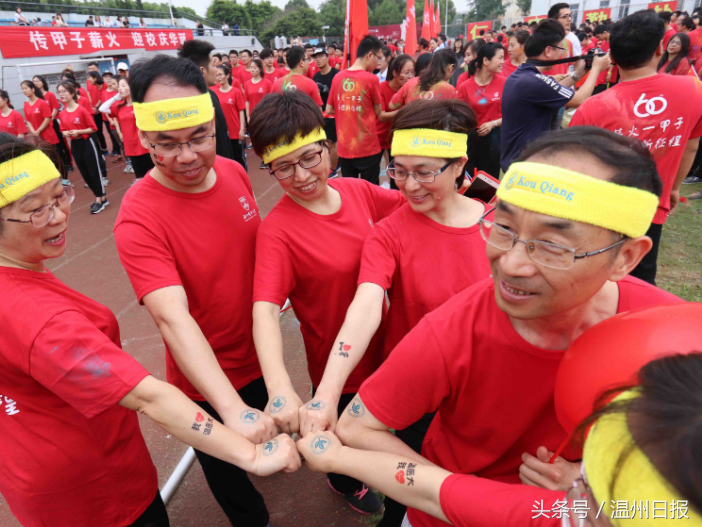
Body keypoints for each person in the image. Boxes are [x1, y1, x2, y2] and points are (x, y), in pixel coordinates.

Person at [0, 132, 302, 527]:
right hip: (96, 488)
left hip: (26, 467)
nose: (59, 215)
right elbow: (149, 398)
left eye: (59, 194)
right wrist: (251, 455)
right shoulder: (38, 318)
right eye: (36, 210)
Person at [336, 126, 683, 527]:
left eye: (553, 245)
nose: (511, 264)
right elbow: (357, 426)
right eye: (504, 228)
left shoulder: (668, 340)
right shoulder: (453, 328)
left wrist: (590, 482)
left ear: (625, 257)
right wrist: (458, 498)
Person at [114, 55, 281, 527]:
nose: (186, 157)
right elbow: (172, 317)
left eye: (198, 139)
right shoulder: (139, 216)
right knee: (229, 471)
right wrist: (229, 408)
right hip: (205, 376)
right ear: (144, 138)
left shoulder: (232, 171)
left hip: (262, 353)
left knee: (271, 435)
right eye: (166, 144)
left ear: (214, 126)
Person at [311, 99, 491, 526]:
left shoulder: (500, 221)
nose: (409, 186)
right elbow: (366, 305)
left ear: (459, 164)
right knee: (414, 487)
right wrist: (326, 394)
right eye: (399, 169)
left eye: (425, 172)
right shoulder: (390, 232)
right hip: (421, 393)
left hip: (485, 387)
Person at [301, 353, 702, 527]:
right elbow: (437, 489)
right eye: (583, 479)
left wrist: (337, 457)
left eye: (593, 493)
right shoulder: (561, 512)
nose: (574, 494)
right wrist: (336, 457)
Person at [249, 90, 405, 515]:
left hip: (386, 344)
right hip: (334, 362)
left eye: (309, 158)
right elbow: (264, 310)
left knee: (389, 421)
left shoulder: (359, 192)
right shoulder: (278, 231)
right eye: (282, 167)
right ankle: (344, 482)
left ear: (327, 145)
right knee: (341, 432)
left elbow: (412, 207)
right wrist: (280, 388)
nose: (300, 176)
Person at [569, 10, 702, 286]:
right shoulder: (694, 90)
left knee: (596, 278)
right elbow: (690, 147)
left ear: (612, 57)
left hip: (601, 211)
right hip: (651, 205)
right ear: (659, 48)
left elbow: (575, 169)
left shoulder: (594, 107)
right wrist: (674, 188)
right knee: (639, 280)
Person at [500, 19, 611, 173]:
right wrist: (597, 69)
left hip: (516, 160)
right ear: (548, 50)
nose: (563, 53)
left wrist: (578, 74)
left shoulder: (522, 76)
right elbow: (579, 99)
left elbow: (553, 91)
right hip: (526, 165)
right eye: (561, 48)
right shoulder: (534, 81)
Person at [326, 36, 384, 185]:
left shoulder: (338, 77)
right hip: (367, 147)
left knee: (351, 191)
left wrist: (346, 111)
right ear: (370, 55)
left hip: (345, 148)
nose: (378, 63)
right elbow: (378, 111)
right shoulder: (371, 79)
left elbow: (329, 109)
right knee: (370, 192)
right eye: (378, 58)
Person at [177, 39, 236, 163]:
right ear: (203, 70)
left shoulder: (210, 95)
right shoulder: (197, 102)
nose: (216, 70)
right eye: (213, 65)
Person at [56, 82, 108, 214]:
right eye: (59, 92)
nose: (62, 94)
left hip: (87, 142)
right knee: (85, 173)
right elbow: (62, 129)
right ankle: (101, 197)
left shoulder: (81, 110)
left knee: (93, 170)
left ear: (73, 93)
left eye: (64, 91)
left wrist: (79, 132)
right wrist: (66, 133)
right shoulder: (62, 113)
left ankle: (100, 199)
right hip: (75, 144)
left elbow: (93, 128)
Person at [457, 42, 506, 177]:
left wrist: (493, 124)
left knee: (489, 180)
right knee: (468, 179)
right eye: (500, 58)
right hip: (471, 140)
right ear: (485, 60)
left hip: (494, 140)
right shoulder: (465, 87)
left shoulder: (504, 83)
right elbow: (459, 116)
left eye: (504, 58)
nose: (503, 62)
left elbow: (513, 114)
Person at [104, 76, 154, 181]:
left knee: (153, 176)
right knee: (140, 179)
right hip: (131, 147)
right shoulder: (119, 107)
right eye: (119, 86)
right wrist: (115, 97)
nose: (120, 88)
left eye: (123, 85)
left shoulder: (141, 104)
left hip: (145, 146)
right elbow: (102, 108)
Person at [377, 54, 415, 184]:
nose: (410, 76)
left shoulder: (412, 89)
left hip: (399, 138)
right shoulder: (381, 88)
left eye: (412, 72)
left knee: (397, 176)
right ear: (394, 73)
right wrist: (404, 110)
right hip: (380, 137)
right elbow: (381, 116)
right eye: (406, 72)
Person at [20, 80, 68, 182]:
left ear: (33, 89)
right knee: (45, 159)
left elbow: (47, 118)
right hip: (37, 137)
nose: (24, 91)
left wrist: (39, 130)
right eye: (22, 89)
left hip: (47, 134)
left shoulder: (42, 102)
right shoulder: (26, 104)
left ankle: (64, 178)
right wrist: (33, 131)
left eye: (26, 88)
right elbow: (27, 120)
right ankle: (54, 179)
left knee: (56, 157)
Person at [33, 75, 72, 180]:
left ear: (42, 82)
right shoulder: (36, 98)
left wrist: (50, 119)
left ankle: (68, 163)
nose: (36, 83)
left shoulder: (49, 94)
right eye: (34, 82)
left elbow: (55, 108)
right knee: (51, 147)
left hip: (53, 122)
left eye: (37, 81)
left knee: (62, 144)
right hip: (45, 125)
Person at [390, 50, 458, 111]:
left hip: (409, 124)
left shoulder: (411, 82)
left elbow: (392, 105)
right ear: (450, 67)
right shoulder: (449, 90)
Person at [212, 63, 247, 169]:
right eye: (217, 75)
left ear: (227, 76)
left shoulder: (235, 92)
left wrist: (242, 129)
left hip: (235, 132)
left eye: (220, 75)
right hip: (222, 133)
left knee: (239, 159)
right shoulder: (214, 93)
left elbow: (241, 111)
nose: (218, 78)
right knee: (226, 161)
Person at [312, 47, 340, 176]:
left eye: (320, 56)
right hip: (321, 115)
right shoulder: (315, 77)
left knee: (332, 142)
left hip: (335, 115)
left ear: (328, 57)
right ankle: (336, 163)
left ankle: (333, 169)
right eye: (315, 57)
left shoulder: (336, 74)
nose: (318, 59)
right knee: (325, 142)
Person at [98, 72, 124, 162]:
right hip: (114, 122)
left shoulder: (128, 100)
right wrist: (116, 97)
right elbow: (103, 108)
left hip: (126, 125)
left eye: (114, 84)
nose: (113, 86)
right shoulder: (115, 100)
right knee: (121, 144)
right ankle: (129, 162)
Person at [244, 58, 271, 126]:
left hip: (265, 115)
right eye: (251, 68)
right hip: (253, 115)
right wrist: (248, 116)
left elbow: (271, 100)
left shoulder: (267, 83)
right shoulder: (247, 84)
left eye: (255, 68)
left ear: (260, 69)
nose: (252, 70)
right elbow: (247, 101)